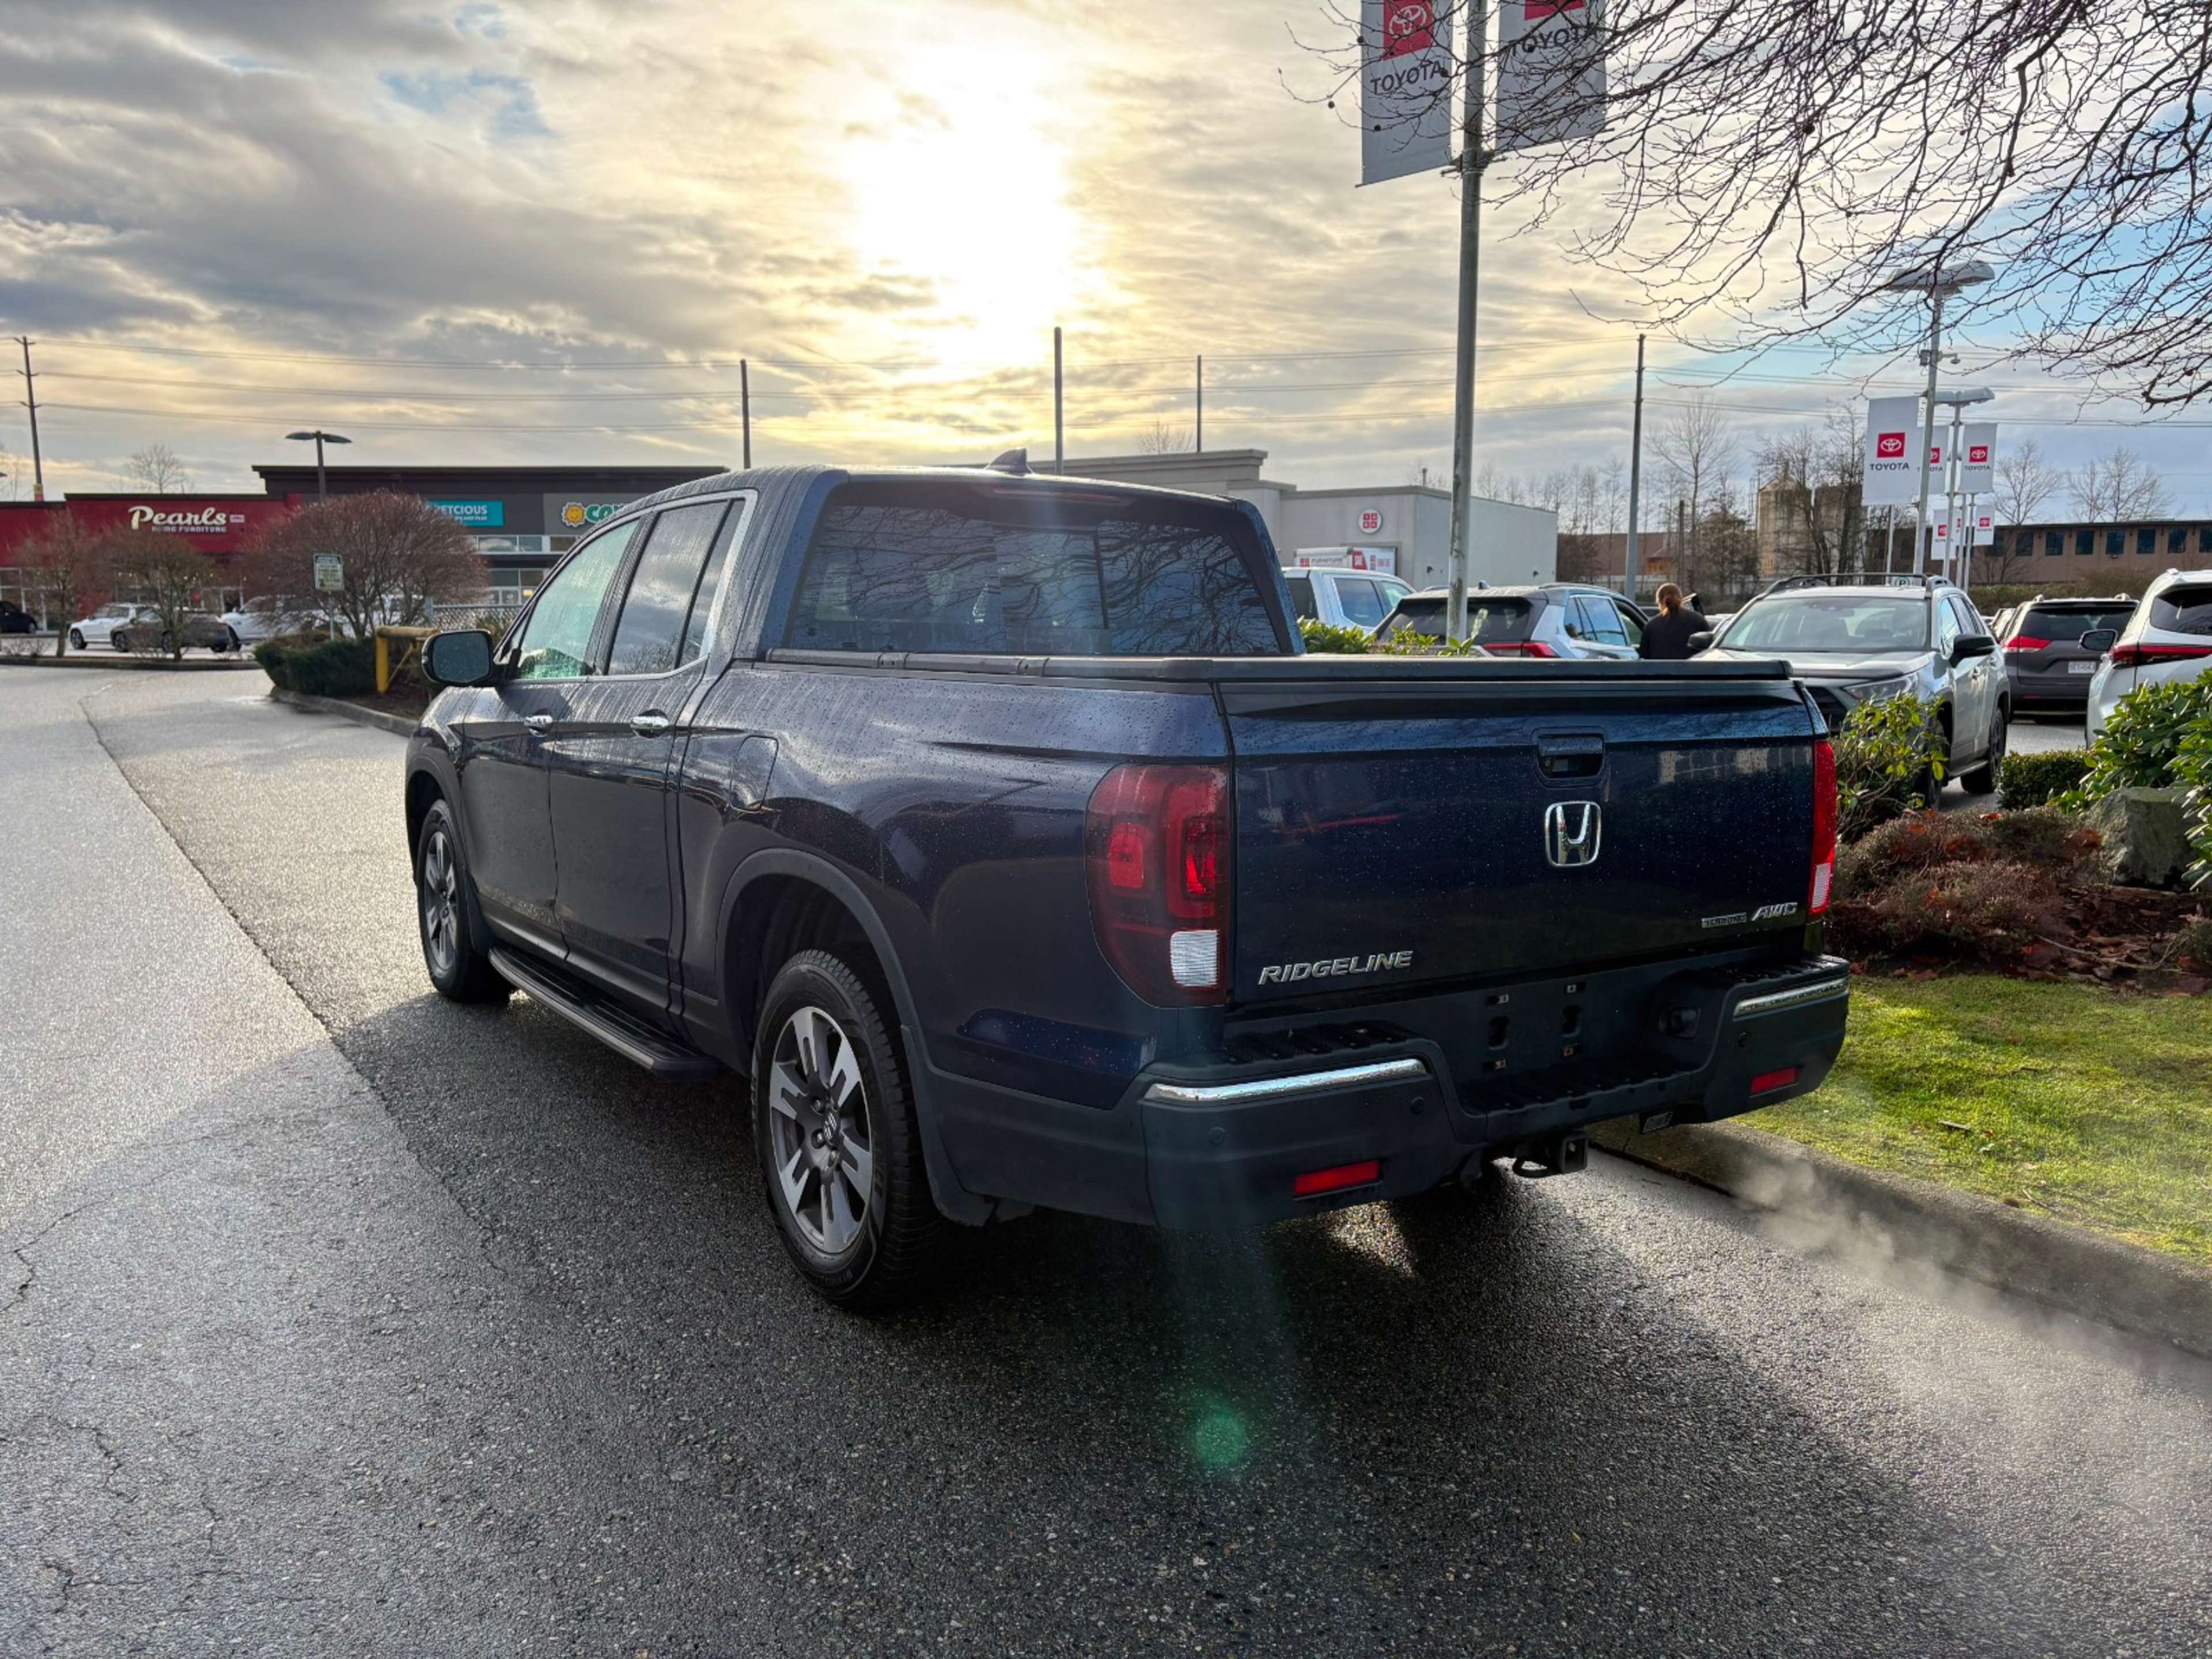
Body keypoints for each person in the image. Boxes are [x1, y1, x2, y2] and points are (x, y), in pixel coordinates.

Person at [1638, 583, 1709, 661]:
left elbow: (1644, 656)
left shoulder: (1651, 626)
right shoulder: (1698, 620)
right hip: (1692, 668)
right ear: (1681, 599)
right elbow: (1709, 650)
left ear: (1659, 602)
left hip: (1659, 668)